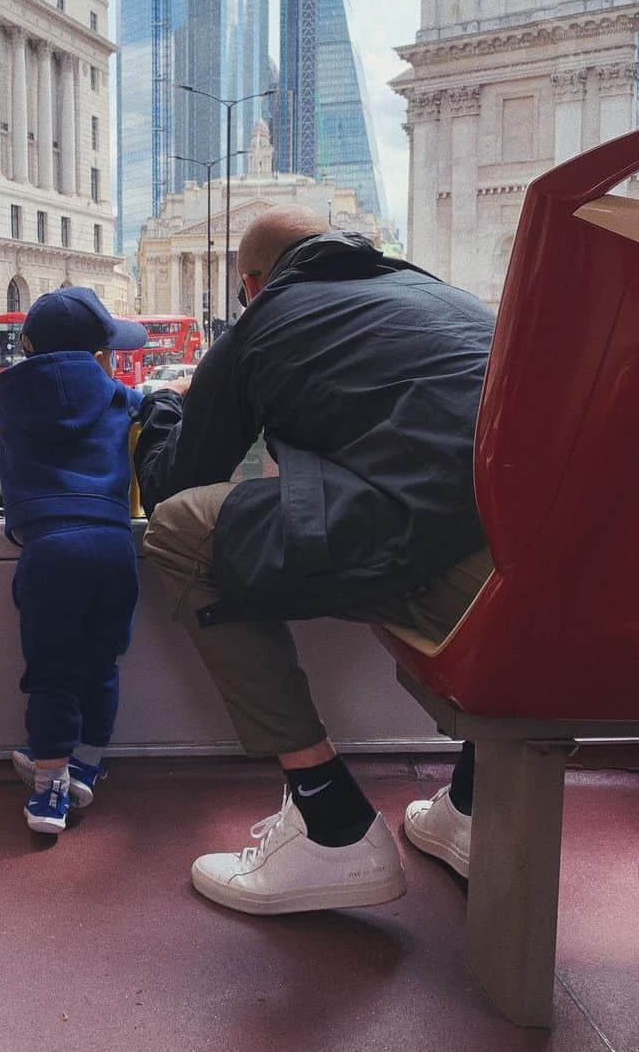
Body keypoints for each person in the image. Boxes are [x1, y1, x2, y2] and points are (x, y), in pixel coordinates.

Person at [134, 206, 494, 913]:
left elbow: (171, 486)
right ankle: (479, 806)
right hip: (573, 579)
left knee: (181, 533)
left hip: (475, 590)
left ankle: (332, 823)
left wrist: (161, 412)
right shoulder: (444, 296)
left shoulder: (267, 319)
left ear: (251, 282)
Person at [0, 289, 146, 835]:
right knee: (102, 661)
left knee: (52, 672)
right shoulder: (117, 396)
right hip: (115, 543)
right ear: (99, 354)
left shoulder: (5, 400)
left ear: (27, 346)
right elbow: (147, 405)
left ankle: (48, 792)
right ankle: (87, 766)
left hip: (49, 548)